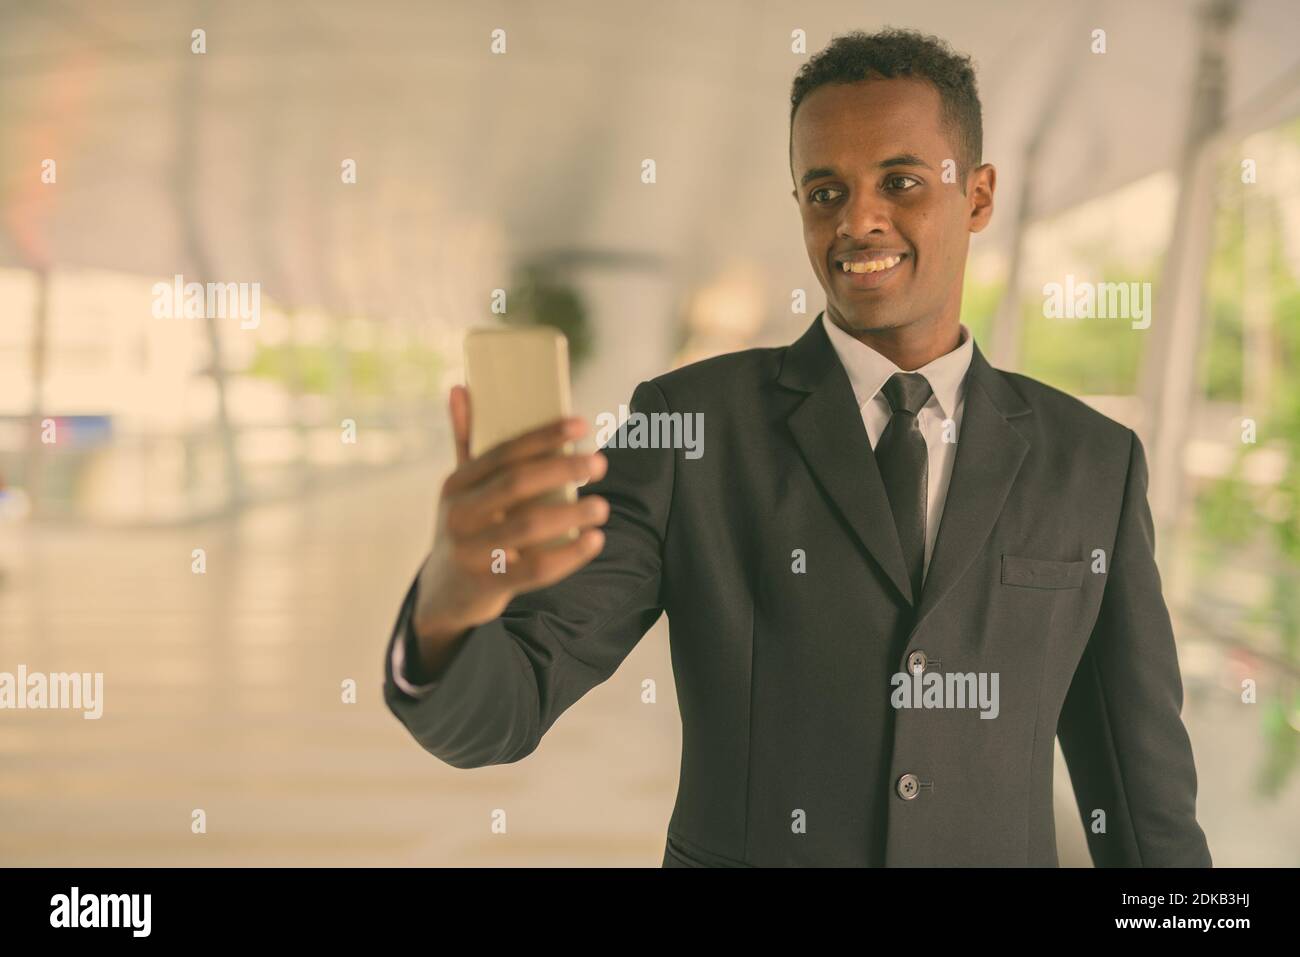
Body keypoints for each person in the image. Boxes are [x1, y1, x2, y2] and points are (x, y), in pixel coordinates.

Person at [383, 28, 1212, 867]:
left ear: (980, 195)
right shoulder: (687, 428)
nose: (857, 220)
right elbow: (509, 704)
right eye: (824, 192)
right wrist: (452, 602)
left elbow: (1146, 813)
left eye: (901, 181)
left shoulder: (1095, 463)